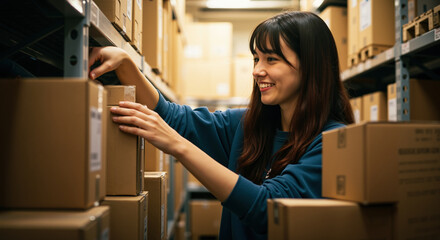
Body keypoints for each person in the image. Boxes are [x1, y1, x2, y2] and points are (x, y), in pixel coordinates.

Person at [88, 11, 354, 240]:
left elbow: (268, 210)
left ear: (310, 67)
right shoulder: (248, 125)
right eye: (256, 58)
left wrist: (177, 146)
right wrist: (126, 64)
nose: (257, 70)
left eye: (271, 59)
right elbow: (173, 117)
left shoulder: (334, 142)